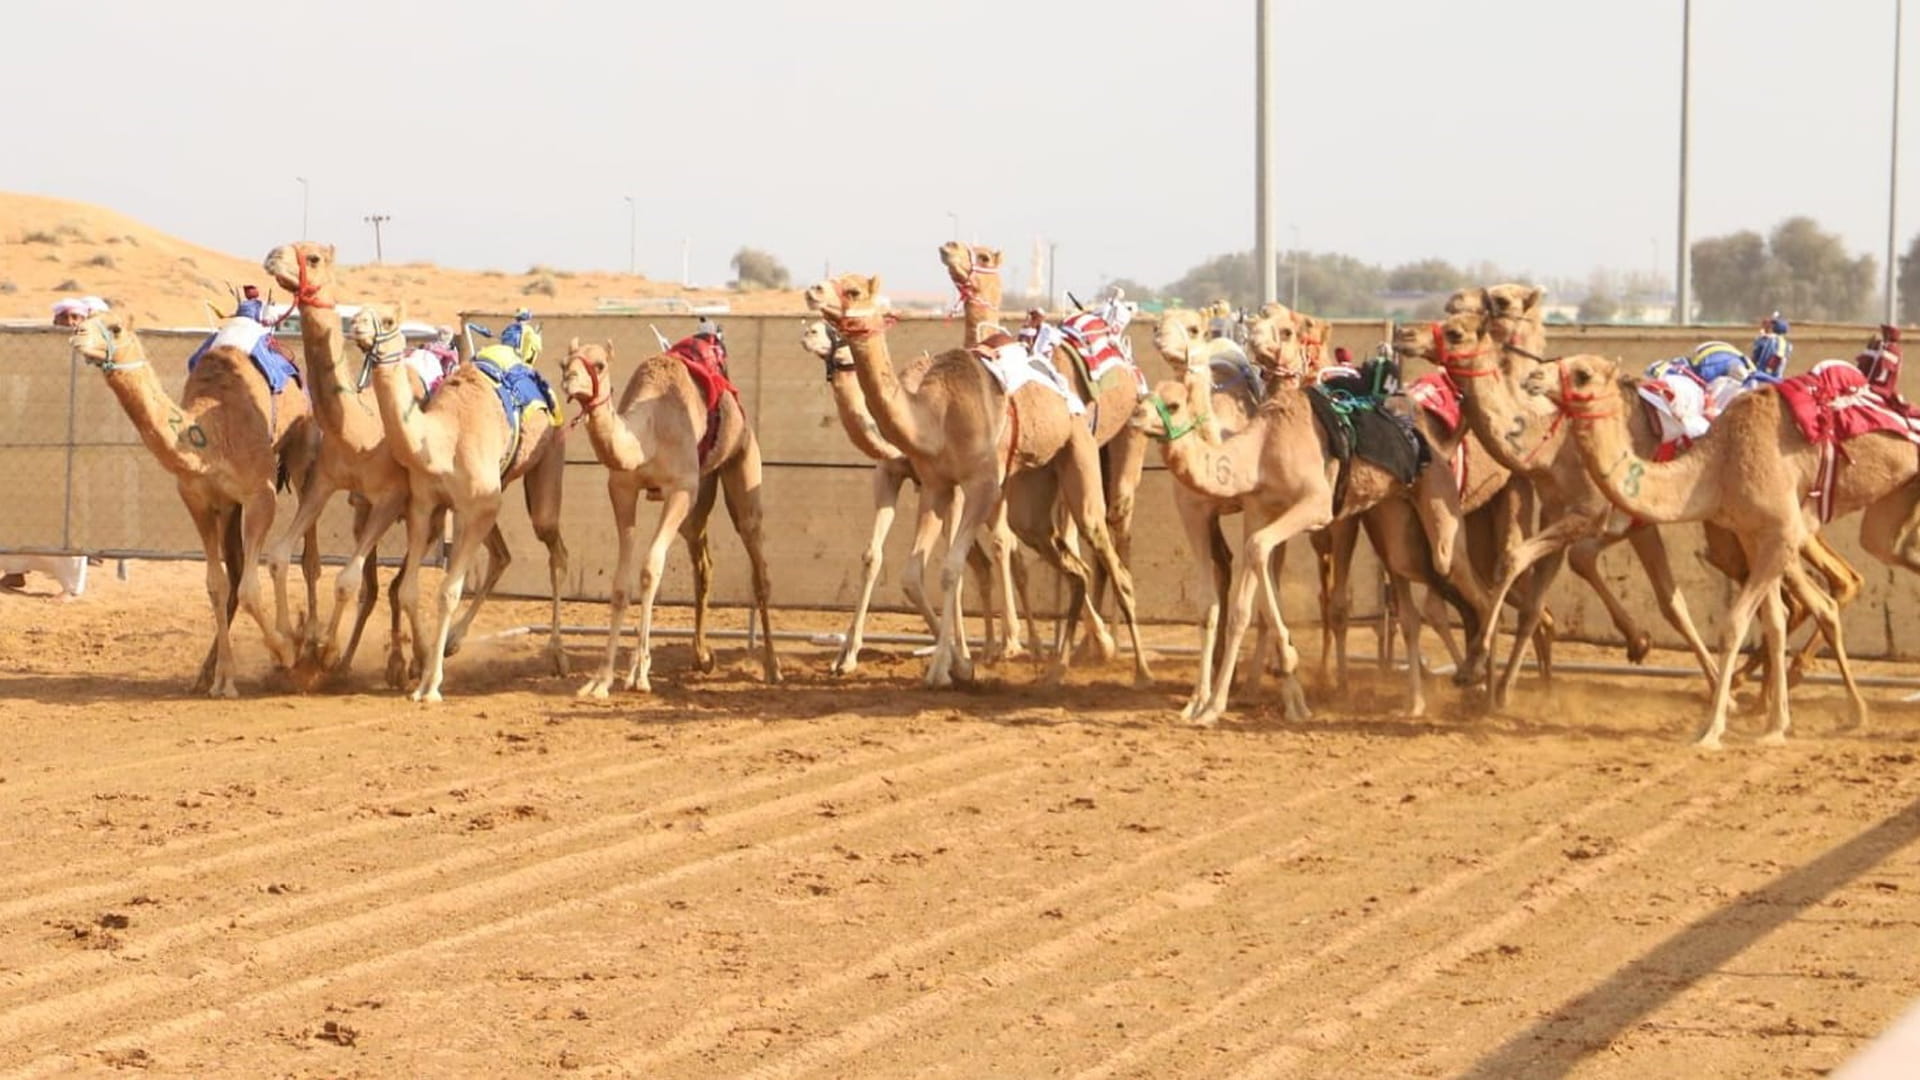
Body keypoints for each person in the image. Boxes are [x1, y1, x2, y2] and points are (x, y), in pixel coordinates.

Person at [1750, 313, 1791, 378]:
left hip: (1761, 376)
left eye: (1773, 324)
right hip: (1776, 379)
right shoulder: (1788, 344)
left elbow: (1754, 358)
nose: (1771, 326)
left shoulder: (1765, 339)